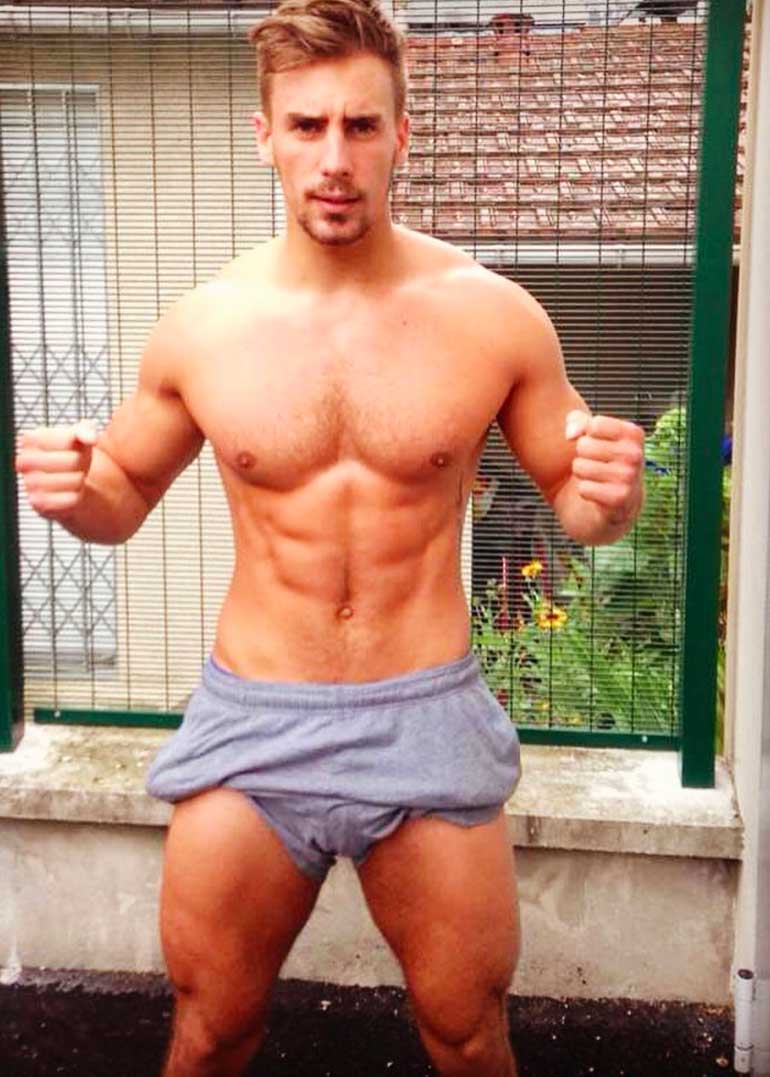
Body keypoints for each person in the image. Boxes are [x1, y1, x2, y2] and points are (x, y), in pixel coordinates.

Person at [14, 0, 645, 1073]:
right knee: (209, 1031)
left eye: (361, 125)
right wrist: (73, 491)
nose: (335, 158)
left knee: (466, 1035)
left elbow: (579, 504)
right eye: (307, 126)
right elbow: (122, 496)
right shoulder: (204, 327)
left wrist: (610, 495)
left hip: (425, 712)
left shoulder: (492, 316)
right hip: (254, 720)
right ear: (264, 135)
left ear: (402, 134)